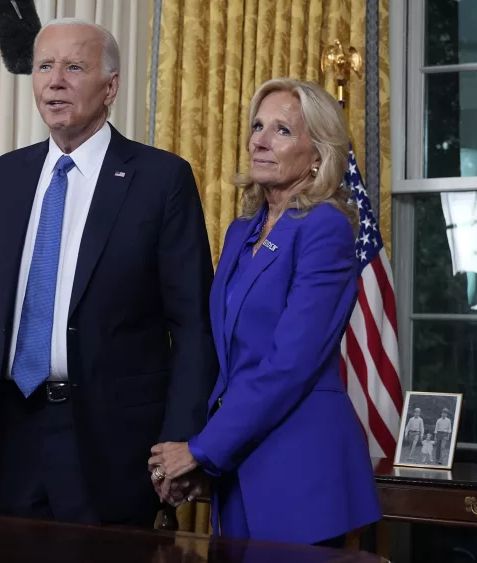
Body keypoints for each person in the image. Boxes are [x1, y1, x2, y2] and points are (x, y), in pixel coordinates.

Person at [0, 18, 217, 527]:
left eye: (74, 67)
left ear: (110, 86)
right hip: (16, 433)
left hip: (113, 443)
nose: (55, 80)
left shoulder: (161, 180)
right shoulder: (6, 176)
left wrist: (181, 438)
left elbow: (193, 325)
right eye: (45, 66)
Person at [145, 78, 381, 546]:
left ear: (318, 154)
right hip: (241, 465)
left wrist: (199, 449)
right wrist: (208, 463)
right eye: (257, 126)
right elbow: (229, 360)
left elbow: (287, 365)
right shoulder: (241, 232)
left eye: (282, 131)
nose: (260, 140)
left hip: (301, 471)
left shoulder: (325, 229)